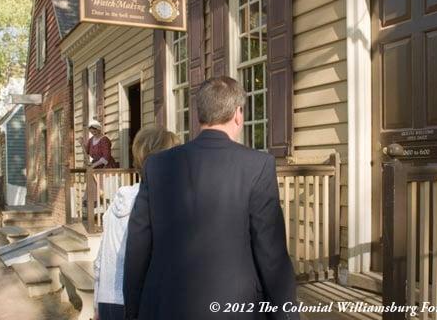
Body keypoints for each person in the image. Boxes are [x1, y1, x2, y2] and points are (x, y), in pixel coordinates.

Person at [124, 76, 299, 320]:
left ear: (198, 117)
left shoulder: (157, 165)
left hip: (165, 306)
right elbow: (271, 255)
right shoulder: (257, 166)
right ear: (238, 114)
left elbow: (137, 247)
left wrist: (132, 312)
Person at [94, 126, 180, 320]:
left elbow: (101, 259)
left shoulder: (116, 202)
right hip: (138, 302)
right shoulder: (157, 204)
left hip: (107, 299)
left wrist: (97, 303)